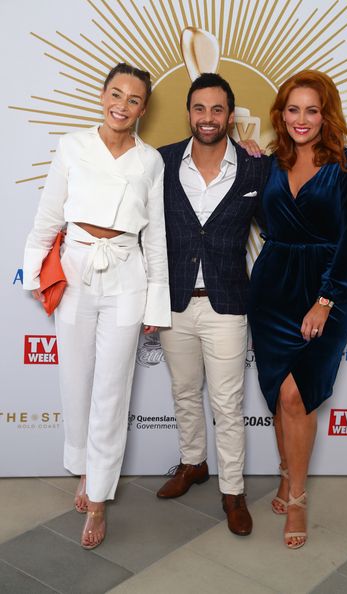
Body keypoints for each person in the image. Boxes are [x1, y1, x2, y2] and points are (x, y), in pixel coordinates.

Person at [23, 63, 170, 549]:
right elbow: (49, 213)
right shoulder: (73, 145)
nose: (122, 105)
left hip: (127, 274)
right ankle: (85, 469)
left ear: (143, 108)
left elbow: (158, 238)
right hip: (78, 268)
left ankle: (100, 497)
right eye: (115, 93)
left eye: (133, 99)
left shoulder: (151, 162)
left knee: (113, 388)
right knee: (77, 381)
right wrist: (32, 271)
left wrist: (156, 301)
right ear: (102, 95)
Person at [247, 69, 347, 549]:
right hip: (273, 288)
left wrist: (326, 300)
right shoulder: (271, 164)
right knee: (280, 396)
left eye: (312, 110)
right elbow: (263, 220)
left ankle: (296, 499)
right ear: (281, 115)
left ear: (326, 115)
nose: (302, 119)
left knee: (300, 396)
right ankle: (285, 474)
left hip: (326, 288)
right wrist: (250, 160)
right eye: (293, 109)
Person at [156, 73, 270, 536]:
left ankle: (234, 490)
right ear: (189, 112)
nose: (208, 118)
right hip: (174, 303)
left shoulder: (255, 167)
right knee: (184, 394)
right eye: (200, 108)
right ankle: (192, 463)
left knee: (227, 402)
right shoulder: (159, 163)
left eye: (217, 109)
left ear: (230, 114)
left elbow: (280, 228)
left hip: (228, 304)